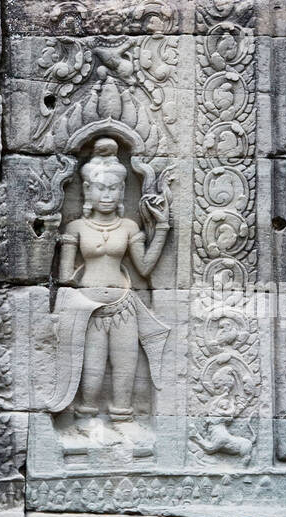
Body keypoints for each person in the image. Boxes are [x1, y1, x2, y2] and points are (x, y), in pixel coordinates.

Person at [44, 138, 171, 446]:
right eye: (100, 188)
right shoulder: (75, 228)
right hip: (88, 309)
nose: (106, 195)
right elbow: (64, 278)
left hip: (124, 306)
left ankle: (123, 419)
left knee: (125, 367)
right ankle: (87, 419)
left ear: (121, 192)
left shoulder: (128, 227)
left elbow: (144, 267)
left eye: (113, 189)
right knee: (92, 368)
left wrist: (163, 227)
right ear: (87, 190)